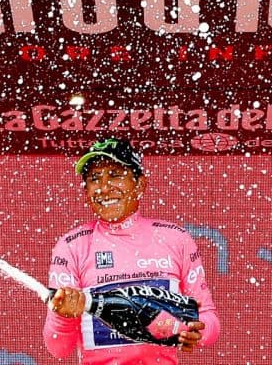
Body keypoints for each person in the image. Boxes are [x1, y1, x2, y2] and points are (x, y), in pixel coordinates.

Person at [44, 138, 220, 363]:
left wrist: (197, 331)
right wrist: (64, 316)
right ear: (86, 190)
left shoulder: (175, 238)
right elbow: (57, 348)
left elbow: (209, 319)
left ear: (140, 184)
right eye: (95, 178)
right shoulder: (72, 246)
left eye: (116, 174)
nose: (104, 188)